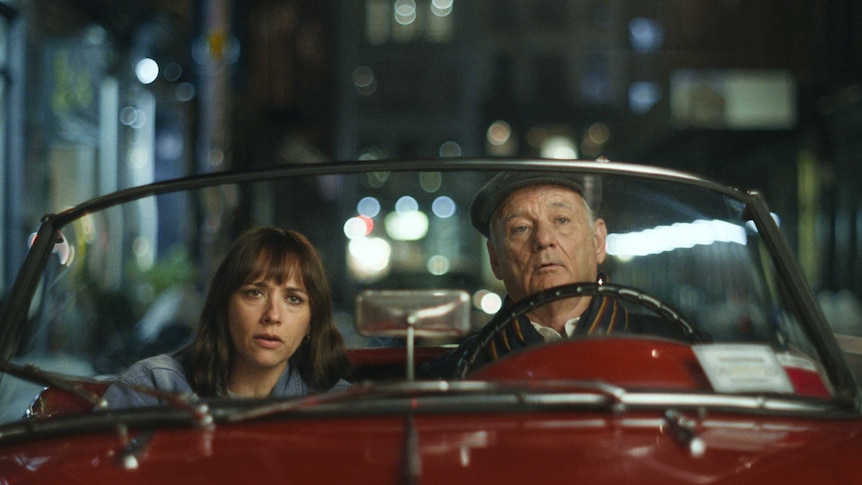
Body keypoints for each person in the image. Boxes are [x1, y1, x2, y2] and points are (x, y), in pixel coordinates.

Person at [422, 171, 685, 378]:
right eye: (521, 228)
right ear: (495, 259)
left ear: (597, 241)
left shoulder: (677, 351)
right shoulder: (455, 376)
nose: (544, 240)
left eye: (561, 220)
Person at [101, 227, 352, 409]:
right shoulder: (153, 387)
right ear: (224, 305)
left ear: (310, 322)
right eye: (255, 293)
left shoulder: (335, 404)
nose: (273, 315)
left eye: (294, 299)